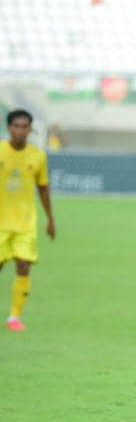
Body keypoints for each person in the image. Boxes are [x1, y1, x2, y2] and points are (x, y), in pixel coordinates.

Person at [0, 109, 56, 332]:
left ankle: (14, 316)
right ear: (9, 128)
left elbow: (43, 189)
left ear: (30, 129)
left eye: (25, 127)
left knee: (24, 266)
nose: (21, 131)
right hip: (1, 223)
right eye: (17, 126)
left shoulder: (38, 156)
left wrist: (50, 219)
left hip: (25, 224)